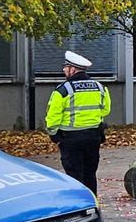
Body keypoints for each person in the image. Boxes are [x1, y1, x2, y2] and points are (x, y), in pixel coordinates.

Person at [45, 51, 111, 194]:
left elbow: (53, 117)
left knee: (74, 176)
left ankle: (79, 206)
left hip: (70, 139)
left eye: (65, 67)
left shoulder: (62, 90)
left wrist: (54, 135)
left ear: (73, 69)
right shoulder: (100, 87)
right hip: (93, 137)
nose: (63, 70)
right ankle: (92, 203)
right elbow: (105, 110)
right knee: (90, 174)